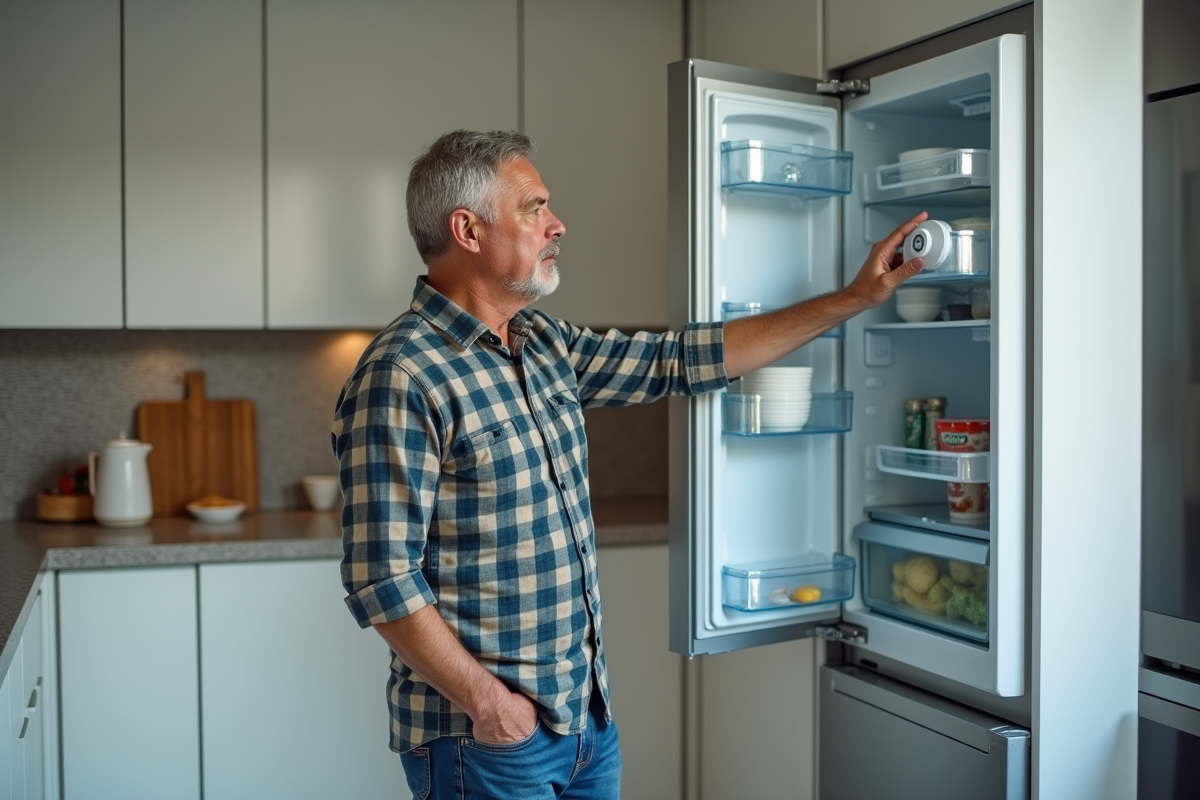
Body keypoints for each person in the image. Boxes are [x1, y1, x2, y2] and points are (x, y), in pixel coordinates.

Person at [331, 129, 927, 800]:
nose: (558, 224)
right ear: (468, 230)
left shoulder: (542, 342)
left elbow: (681, 359)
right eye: (534, 208)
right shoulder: (403, 373)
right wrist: (490, 705)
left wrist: (854, 299)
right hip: (486, 737)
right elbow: (383, 578)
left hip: (584, 719)